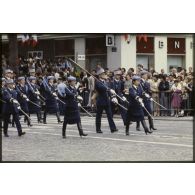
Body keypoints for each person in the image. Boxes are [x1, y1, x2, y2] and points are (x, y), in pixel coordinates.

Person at [95, 68, 118, 133]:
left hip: (107, 100)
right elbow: (101, 88)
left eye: (104, 74)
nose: (104, 75)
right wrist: (108, 89)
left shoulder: (105, 82)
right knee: (99, 116)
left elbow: (108, 90)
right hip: (100, 101)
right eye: (103, 74)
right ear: (99, 75)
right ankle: (98, 129)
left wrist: (112, 96)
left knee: (110, 115)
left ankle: (113, 128)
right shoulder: (97, 82)